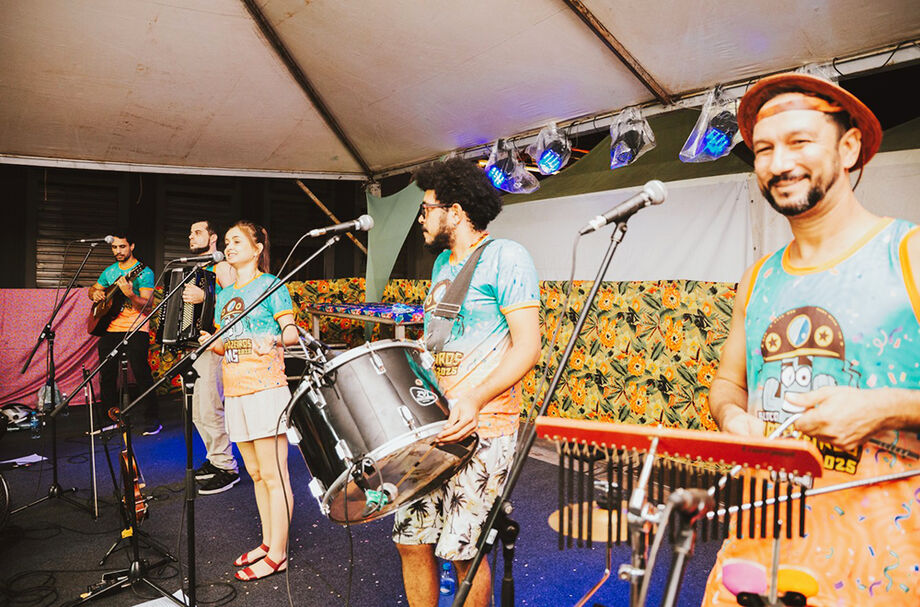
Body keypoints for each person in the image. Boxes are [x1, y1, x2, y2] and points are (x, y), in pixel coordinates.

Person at [704, 73, 920, 605]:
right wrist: (736, 421)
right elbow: (727, 387)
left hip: (881, 570)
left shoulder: (909, 254)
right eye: (764, 149)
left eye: (800, 142)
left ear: (848, 148)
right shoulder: (758, 279)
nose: (779, 163)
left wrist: (883, 408)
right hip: (758, 553)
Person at [392, 158, 542, 607]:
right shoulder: (441, 263)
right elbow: (443, 339)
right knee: (411, 539)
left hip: (485, 427)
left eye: (426, 209)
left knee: (463, 552)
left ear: (453, 212)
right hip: (433, 425)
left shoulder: (507, 256)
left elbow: (527, 347)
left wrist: (474, 397)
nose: (422, 218)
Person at [199, 220, 298, 581]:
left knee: (274, 475)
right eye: (227, 241)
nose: (230, 245)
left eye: (237, 240)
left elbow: (290, 331)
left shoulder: (272, 286)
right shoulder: (224, 296)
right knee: (256, 475)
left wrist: (273, 340)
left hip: (266, 389)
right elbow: (225, 344)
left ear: (257, 248)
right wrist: (210, 341)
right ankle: (268, 542)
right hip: (236, 392)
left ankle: (280, 554)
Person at [184, 220, 240, 494]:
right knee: (197, 409)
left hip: (217, 346)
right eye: (191, 232)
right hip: (199, 345)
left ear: (213, 237)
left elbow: (235, 303)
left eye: (198, 232)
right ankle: (215, 458)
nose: (191, 236)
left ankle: (227, 467)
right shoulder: (201, 270)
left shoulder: (224, 268)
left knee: (209, 406)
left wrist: (204, 296)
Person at [88, 232, 160, 435]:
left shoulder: (144, 272)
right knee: (107, 374)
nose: (118, 251)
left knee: (141, 372)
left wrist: (130, 294)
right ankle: (110, 418)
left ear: (132, 246)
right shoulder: (110, 271)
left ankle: (152, 419)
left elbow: (147, 306)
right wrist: (96, 293)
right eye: (114, 247)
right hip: (111, 328)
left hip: (136, 327)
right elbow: (93, 289)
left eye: (122, 247)